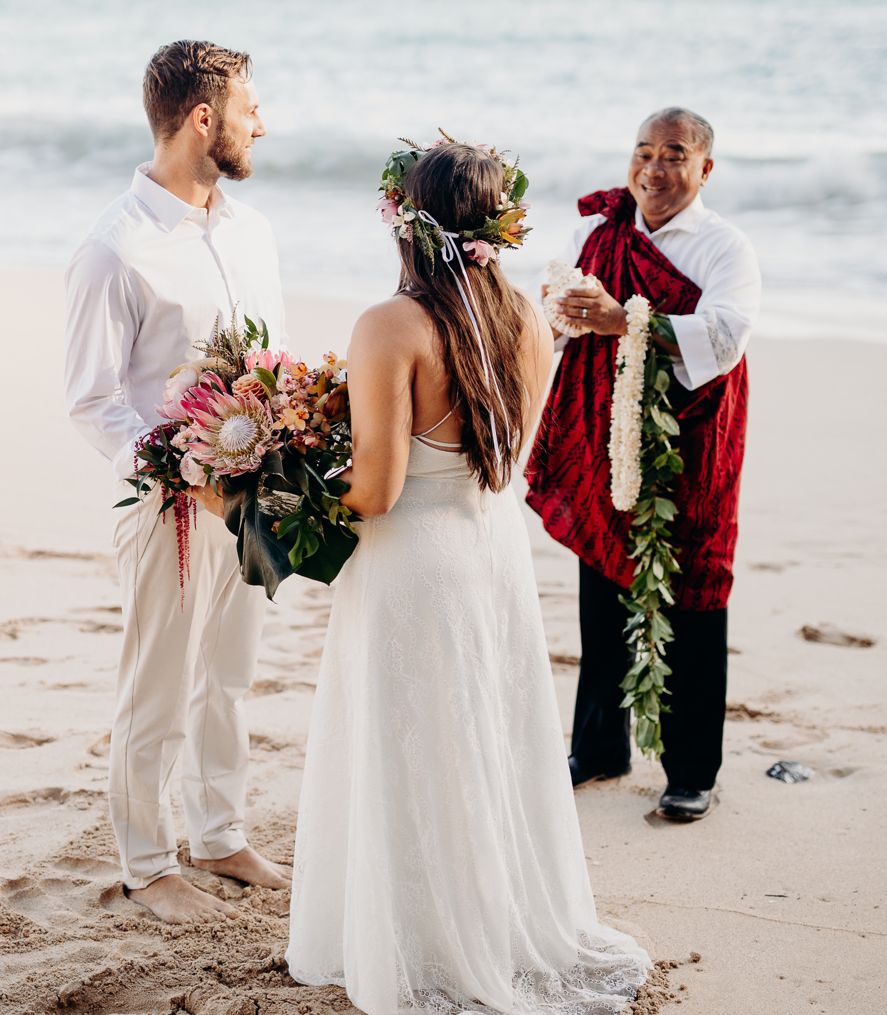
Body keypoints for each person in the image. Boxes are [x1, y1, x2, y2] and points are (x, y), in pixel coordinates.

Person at [283, 141, 650, 1015]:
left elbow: (374, 489)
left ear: (406, 220)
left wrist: (266, 493)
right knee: (483, 747)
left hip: (412, 568)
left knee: (413, 757)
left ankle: (421, 940)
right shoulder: (524, 316)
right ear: (497, 222)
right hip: (491, 558)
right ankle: (491, 922)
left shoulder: (391, 325)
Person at [63, 40, 292, 924]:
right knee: (156, 678)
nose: (260, 123)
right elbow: (92, 402)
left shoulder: (252, 229)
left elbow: (267, 360)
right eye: (249, 108)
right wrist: (180, 472)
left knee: (229, 672)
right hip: (169, 506)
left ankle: (218, 830)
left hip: (258, 491)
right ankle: (145, 860)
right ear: (204, 119)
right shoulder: (114, 250)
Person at [526, 107, 761, 820]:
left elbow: (723, 337)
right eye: (643, 151)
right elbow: (559, 327)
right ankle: (599, 746)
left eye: (673, 154)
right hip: (600, 429)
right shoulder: (595, 233)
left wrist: (622, 319)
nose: (653, 168)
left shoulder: (725, 248)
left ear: (703, 168)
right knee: (601, 585)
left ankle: (691, 769)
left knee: (693, 591)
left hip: (695, 438)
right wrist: (566, 312)